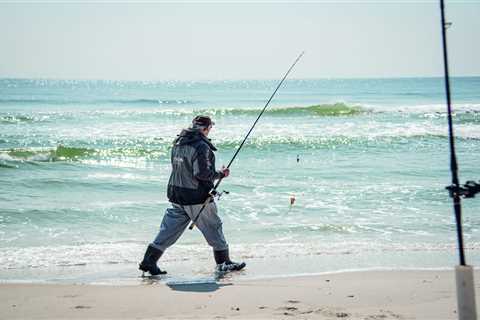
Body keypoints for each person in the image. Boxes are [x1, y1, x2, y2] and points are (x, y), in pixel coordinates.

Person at [139, 115, 246, 276]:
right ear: (205, 128)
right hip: (196, 198)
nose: (210, 131)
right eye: (210, 128)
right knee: (214, 227)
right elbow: (201, 174)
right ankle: (224, 263)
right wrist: (221, 174)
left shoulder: (178, 142)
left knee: (168, 231)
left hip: (176, 194)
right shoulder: (201, 146)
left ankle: (149, 261)